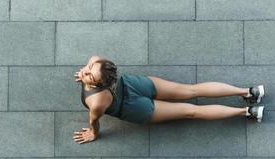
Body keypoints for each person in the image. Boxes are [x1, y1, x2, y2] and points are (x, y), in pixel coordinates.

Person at [73, 55, 265, 144]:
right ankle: (249, 91)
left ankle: (247, 112)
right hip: (134, 84)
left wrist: (93, 133)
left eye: (90, 71)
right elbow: (102, 73)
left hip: (134, 108)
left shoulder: (96, 102)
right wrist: (86, 77)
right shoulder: (99, 62)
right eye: (88, 71)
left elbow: (94, 121)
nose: (85, 70)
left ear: (101, 84)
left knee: (192, 111)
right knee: (193, 90)